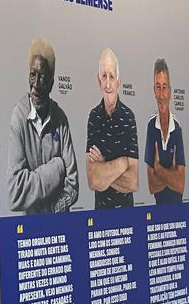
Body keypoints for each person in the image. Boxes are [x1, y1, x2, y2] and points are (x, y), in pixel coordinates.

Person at [7, 36, 78, 214]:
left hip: (59, 225)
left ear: (52, 84)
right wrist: (57, 167)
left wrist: (51, 211)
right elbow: (15, 193)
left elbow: (73, 185)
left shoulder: (60, 118)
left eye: (43, 77)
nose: (36, 85)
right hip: (31, 230)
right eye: (33, 75)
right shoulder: (19, 117)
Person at [85, 48, 139, 209]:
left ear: (118, 81)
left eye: (112, 76)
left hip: (127, 217)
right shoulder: (93, 117)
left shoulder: (128, 117)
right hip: (100, 216)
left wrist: (103, 165)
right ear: (98, 80)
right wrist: (122, 164)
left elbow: (133, 182)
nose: (108, 83)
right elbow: (93, 180)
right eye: (104, 76)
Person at [145, 58, 185, 204]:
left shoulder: (177, 128)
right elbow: (151, 186)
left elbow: (180, 186)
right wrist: (171, 176)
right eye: (157, 87)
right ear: (153, 90)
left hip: (178, 210)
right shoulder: (151, 126)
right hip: (158, 213)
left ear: (170, 91)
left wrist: (159, 171)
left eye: (164, 87)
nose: (161, 95)